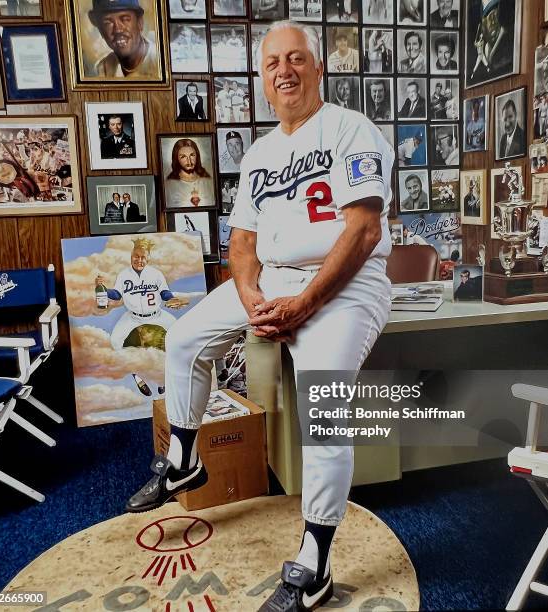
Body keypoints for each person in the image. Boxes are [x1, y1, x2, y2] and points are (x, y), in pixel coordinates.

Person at [126, 19, 395, 612]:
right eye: (273, 64)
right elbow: (242, 241)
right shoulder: (261, 153)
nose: (285, 71)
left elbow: (364, 229)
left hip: (347, 283)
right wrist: (251, 299)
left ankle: (316, 558)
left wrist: (306, 304)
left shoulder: (354, 130)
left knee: (324, 398)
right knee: (185, 337)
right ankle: (184, 459)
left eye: (296, 59)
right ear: (263, 82)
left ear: (317, 68)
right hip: (271, 281)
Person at [88, 0, 159, 79]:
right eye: (108, 23)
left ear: (140, 22)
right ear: (100, 29)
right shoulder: (103, 68)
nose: (118, 30)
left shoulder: (160, 60)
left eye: (125, 19)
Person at [165, 138, 213, 207]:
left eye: (192, 155)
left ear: (197, 156)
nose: (189, 161)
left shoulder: (207, 180)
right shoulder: (169, 184)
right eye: (183, 157)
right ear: (176, 158)